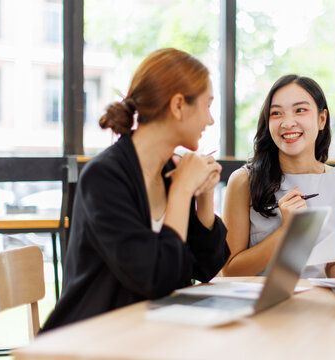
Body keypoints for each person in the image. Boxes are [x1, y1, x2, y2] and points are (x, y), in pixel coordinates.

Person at [41, 48, 229, 332]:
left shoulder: (170, 173)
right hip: (91, 340)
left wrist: (203, 196)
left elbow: (205, 267)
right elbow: (157, 278)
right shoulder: (104, 177)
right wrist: (181, 191)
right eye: (207, 106)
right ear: (178, 106)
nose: (210, 120)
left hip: (150, 334)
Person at [222, 75, 335, 278]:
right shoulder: (244, 181)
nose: (288, 123)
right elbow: (230, 271)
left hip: (320, 303)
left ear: (322, 119)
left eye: (300, 110)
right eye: (276, 113)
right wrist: (287, 231)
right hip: (261, 304)